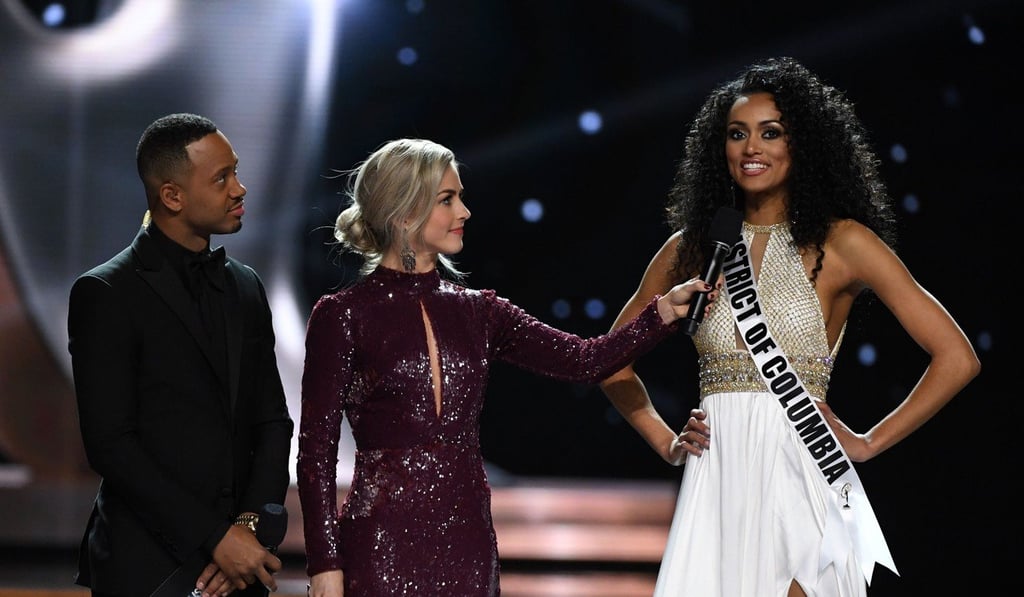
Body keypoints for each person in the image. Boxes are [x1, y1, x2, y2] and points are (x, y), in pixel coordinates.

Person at [599, 56, 980, 597]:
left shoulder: (844, 242)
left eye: (770, 133)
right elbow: (609, 360)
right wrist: (667, 444)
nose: (752, 148)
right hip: (717, 478)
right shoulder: (692, 249)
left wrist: (869, 442)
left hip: (800, 465)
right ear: (721, 149)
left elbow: (957, 357)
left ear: (801, 145)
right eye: (737, 134)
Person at [296, 138, 719, 596]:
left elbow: (584, 360)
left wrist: (662, 313)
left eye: (460, 197)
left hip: (468, 544)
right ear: (403, 211)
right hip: (379, 546)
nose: (465, 211)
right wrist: (324, 564)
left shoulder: (480, 312)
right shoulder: (342, 315)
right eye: (448, 199)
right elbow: (316, 453)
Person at [67, 113, 294, 597]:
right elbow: (110, 444)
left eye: (235, 171)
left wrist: (247, 529)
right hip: (148, 567)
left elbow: (272, 419)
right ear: (172, 196)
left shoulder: (245, 286)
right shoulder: (106, 291)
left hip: (241, 565)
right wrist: (214, 538)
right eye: (222, 178)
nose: (240, 189)